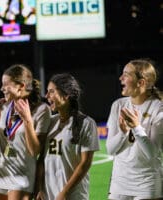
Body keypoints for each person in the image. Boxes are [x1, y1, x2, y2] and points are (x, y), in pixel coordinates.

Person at [0, 64, 51, 200]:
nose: (1, 88)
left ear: (20, 86)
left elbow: (35, 151)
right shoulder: (3, 106)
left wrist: (27, 120)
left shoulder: (42, 110)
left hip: (21, 177)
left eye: (5, 84)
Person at [35, 73, 100, 200]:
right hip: (48, 195)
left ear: (66, 95)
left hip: (73, 195)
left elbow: (85, 163)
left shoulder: (86, 123)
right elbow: (42, 159)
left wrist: (64, 193)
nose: (47, 96)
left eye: (51, 92)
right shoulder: (50, 122)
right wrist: (40, 189)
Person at [106, 59, 163, 200]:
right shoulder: (118, 105)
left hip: (147, 184)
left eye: (126, 74)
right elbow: (111, 150)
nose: (121, 78)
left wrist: (136, 127)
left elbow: (152, 153)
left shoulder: (158, 108)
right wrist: (123, 132)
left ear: (141, 83)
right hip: (119, 183)